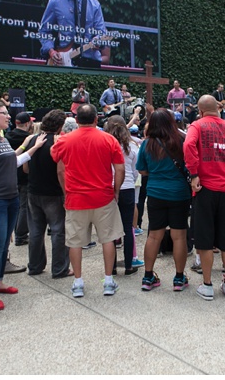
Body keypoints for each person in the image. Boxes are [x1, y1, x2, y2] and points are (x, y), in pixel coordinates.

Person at [0, 102, 48, 310]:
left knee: (4, 243)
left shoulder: (2, 139)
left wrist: (34, 146)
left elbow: (13, 162)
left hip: (11, 197)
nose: (8, 117)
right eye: (4, 114)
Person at [51, 103, 125, 298]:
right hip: (103, 196)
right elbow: (119, 169)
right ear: (96, 119)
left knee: (75, 241)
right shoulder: (108, 139)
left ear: (76, 120)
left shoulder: (64, 141)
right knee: (108, 239)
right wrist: (115, 190)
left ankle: (78, 282)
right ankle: (108, 280)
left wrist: (66, 192)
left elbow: (60, 169)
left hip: (76, 198)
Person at [184, 95, 225, 301]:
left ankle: (207, 284)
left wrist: (194, 174)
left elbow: (188, 146)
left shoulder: (197, 126)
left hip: (205, 189)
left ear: (200, 111)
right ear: (218, 110)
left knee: (204, 239)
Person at [136, 109, 193, 291]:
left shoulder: (147, 144)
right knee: (179, 236)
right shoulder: (181, 141)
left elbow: (142, 170)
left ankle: (147, 276)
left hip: (155, 193)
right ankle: (178, 278)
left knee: (154, 235)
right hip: (179, 194)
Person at [24, 110, 72, 278]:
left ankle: (35, 265)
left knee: (36, 230)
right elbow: (61, 171)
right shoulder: (58, 142)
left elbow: (25, 168)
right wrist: (66, 193)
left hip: (33, 190)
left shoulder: (32, 140)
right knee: (58, 231)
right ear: (60, 126)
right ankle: (60, 268)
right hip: (53, 192)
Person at [39, 0, 109, 68]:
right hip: (63, 60)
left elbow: (102, 32)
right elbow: (43, 31)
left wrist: (97, 41)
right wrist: (51, 52)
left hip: (90, 61)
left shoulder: (94, 4)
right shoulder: (55, 1)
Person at [104, 116, 139, 276]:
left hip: (108, 187)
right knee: (127, 227)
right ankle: (129, 265)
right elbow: (134, 169)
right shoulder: (132, 146)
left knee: (110, 229)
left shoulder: (104, 145)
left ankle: (111, 267)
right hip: (128, 186)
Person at [6, 112, 36, 247]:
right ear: (28, 123)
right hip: (24, 176)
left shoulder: (7, 136)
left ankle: (16, 231)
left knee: (17, 205)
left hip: (11, 176)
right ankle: (21, 235)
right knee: (24, 206)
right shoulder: (29, 139)